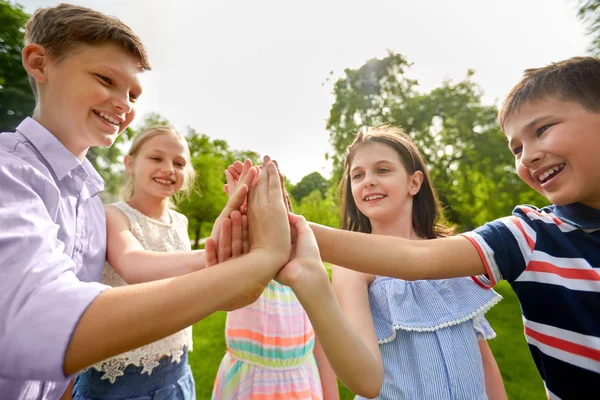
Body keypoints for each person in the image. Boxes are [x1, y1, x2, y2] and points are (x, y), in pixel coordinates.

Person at [0, 4, 291, 399]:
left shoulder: (85, 198)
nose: (123, 104)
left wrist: (224, 245)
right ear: (39, 63)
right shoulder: (9, 171)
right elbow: (35, 324)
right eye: (106, 78)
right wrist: (255, 258)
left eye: (133, 94)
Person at [306, 57, 600, 399]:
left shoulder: (456, 255)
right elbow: (411, 262)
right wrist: (296, 236)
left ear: (415, 182)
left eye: (383, 170)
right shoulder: (528, 234)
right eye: (358, 175)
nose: (368, 181)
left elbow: (480, 353)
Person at [211, 161, 340, 400]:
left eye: (275, 200)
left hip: (301, 381)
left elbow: (320, 341)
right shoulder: (241, 263)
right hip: (247, 385)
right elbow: (215, 256)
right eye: (253, 203)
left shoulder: (307, 266)